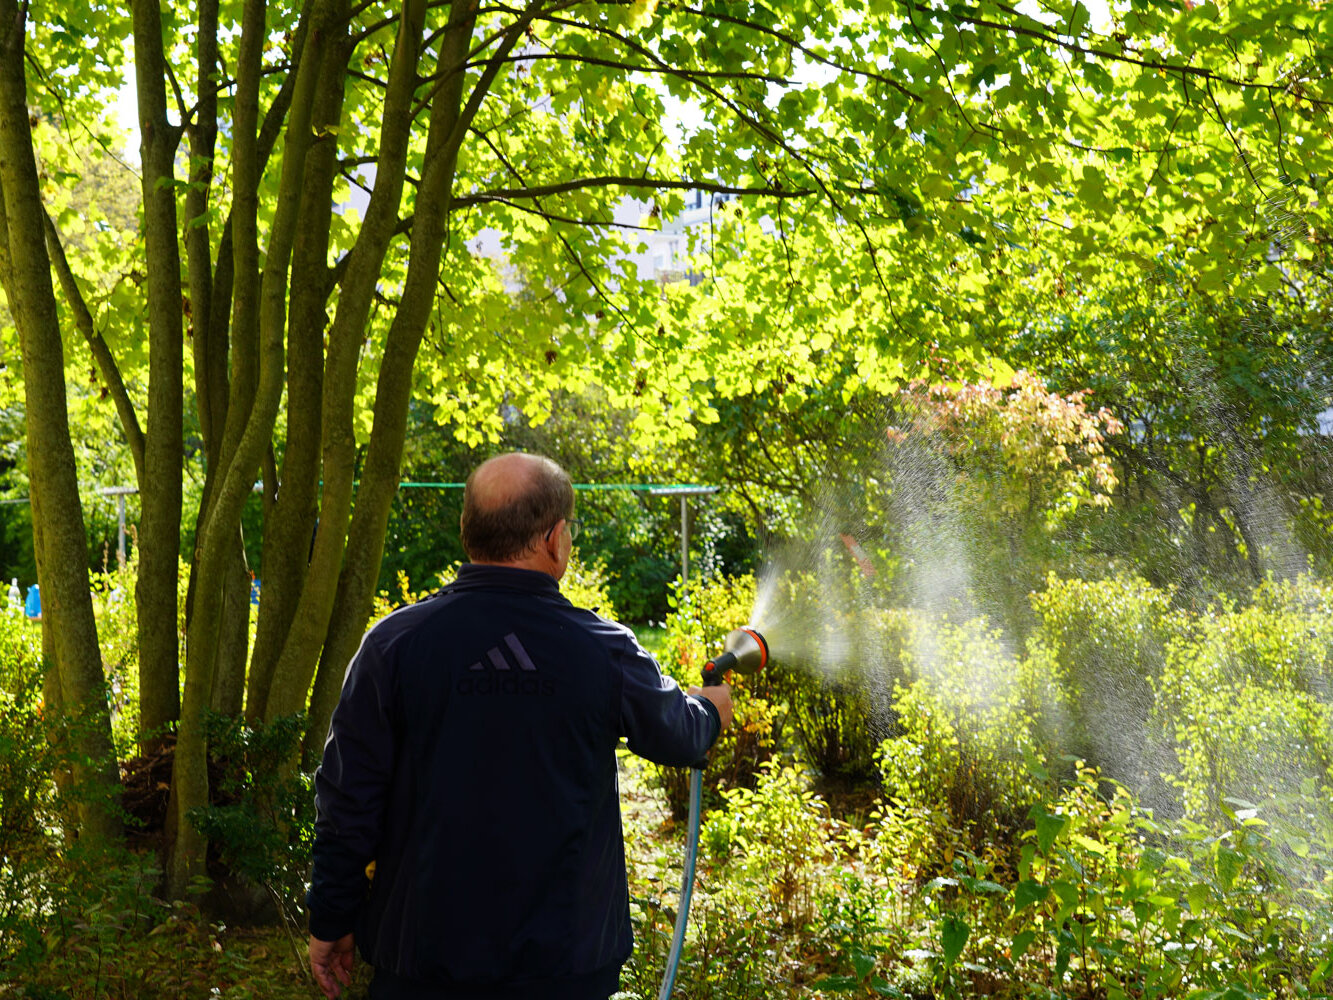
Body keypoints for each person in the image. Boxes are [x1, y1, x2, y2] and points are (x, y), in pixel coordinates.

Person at [307, 453, 733, 1000]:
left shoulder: (393, 645)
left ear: (468, 532)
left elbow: (347, 800)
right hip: (566, 965)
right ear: (556, 539)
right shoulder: (602, 650)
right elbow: (682, 735)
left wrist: (331, 915)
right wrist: (710, 708)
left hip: (422, 960)